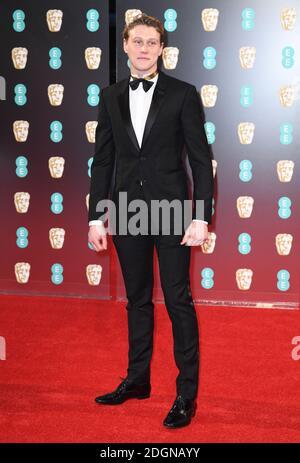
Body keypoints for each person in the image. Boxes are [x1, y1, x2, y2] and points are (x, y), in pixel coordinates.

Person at [88, 13, 214, 428]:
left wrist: (201, 215)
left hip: (174, 211)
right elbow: (103, 159)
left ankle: (185, 394)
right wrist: (97, 216)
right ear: (125, 45)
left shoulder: (182, 93)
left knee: (179, 301)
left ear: (162, 49)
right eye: (136, 40)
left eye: (151, 42)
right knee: (137, 300)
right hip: (126, 210)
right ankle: (138, 380)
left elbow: (199, 158)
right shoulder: (109, 96)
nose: (143, 48)